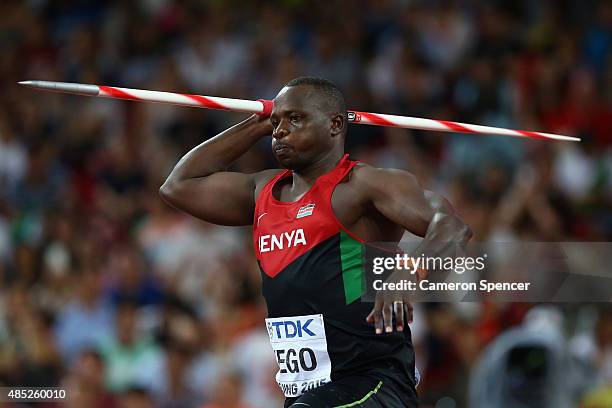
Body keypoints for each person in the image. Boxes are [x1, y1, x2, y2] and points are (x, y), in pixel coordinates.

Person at [160, 77, 472, 407]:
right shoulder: (261, 191)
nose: (281, 130)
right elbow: (178, 186)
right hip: (307, 392)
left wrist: (410, 271)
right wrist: (256, 125)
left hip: (373, 382)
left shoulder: (363, 185)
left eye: (296, 118)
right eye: (277, 121)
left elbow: (451, 226)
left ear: (335, 124)